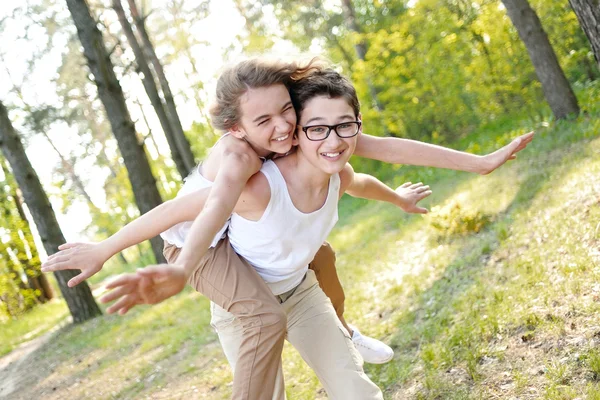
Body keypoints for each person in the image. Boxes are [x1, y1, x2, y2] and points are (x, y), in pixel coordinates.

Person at [42, 57, 534, 400]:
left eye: (288, 112)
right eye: (268, 120)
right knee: (263, 320)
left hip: (290, 282)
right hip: (200, 252)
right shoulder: (244, 168)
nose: (282, 126)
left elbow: (379, 157)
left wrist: (473, 166)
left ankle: (344, 330)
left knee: (322, 256)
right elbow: (185, 212)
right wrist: (117, 250)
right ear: (237, 127)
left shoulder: (321, 140)